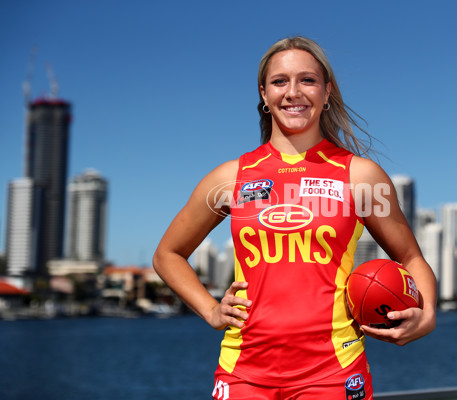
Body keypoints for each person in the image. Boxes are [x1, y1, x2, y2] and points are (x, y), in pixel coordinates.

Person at [153, 36, 437, 400]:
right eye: (279, 81)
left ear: (326, 91)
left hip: (333, 373)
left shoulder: (360, 177)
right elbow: (168, 254)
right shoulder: (230, 178)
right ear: (264, 94)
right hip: (243, 372)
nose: (293, 92)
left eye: (307, 80)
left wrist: (426, 314)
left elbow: (410, 257)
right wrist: (210, 309)